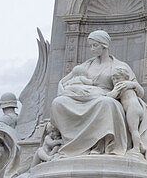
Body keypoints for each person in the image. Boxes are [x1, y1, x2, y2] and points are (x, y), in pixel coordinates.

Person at [50, 30, 130, 158]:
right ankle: (73, 144)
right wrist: (71, 88)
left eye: (95, 45)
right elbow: (64, 81)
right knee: (58, 103)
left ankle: (99, 145)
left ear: (104, 45)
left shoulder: (118, 66)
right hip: (81, 96)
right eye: (90, 45)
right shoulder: (86, 65)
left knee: (106, 103)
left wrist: (116, 92)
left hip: (105, 96)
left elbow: (131, 87)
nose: (92, 49)